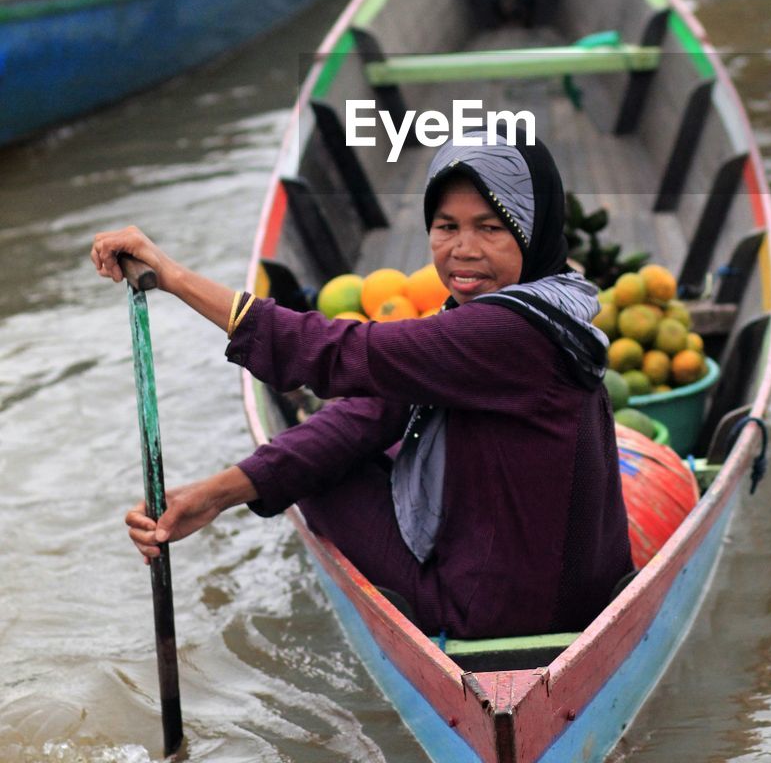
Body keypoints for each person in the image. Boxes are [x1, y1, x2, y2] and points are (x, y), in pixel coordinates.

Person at [91, 129, 633, 641]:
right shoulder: (554, 304)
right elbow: (371, 410)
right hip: (579, 594)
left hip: (505, 615)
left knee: (323, 473)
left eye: (490, 228)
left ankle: (424, 614)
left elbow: (340, 353)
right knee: (352, 435)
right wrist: (211, 497)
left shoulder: (508, 331)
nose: (463, 250)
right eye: (446, 227)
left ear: (530, 234)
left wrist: (175, 277)